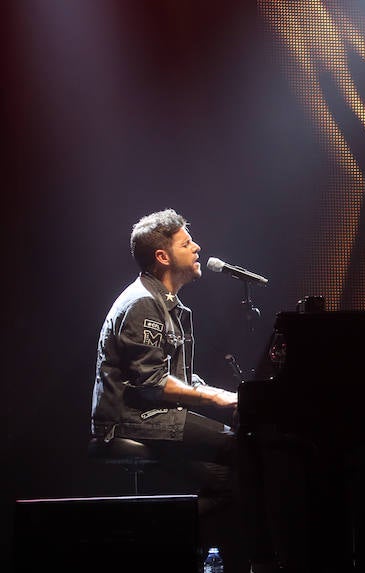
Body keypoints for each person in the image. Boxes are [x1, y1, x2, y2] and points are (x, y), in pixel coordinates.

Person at [90, 208, 255, 572]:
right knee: (238, 444)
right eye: (186, 243)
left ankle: (158, 537)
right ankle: (148, 538)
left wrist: (233, 397)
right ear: (163, 256)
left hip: (152, 414)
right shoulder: (142, 303)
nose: (196, 248)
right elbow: (151, 384)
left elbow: (183, 379)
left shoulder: (170, 306)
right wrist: (217, 399)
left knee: (230, 480)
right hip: (127, 420)